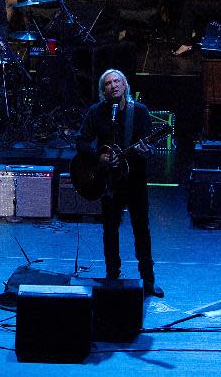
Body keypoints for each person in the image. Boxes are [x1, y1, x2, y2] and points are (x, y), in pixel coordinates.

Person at [76, 69, 163, 298]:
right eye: (108, 83)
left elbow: (149, 148)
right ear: (103, 90)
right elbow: (82, 142)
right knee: (110, 230)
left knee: (141, 229)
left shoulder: (140, 112)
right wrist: (99, 157)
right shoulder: (97, 112)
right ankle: (112, 275)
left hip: (134, 179)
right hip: (109, 181)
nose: (113, 85)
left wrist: (146, 151)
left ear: (125, 86)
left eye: (117, 81)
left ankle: (148, 280)